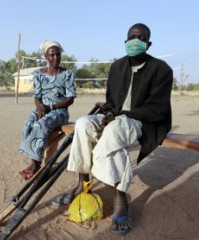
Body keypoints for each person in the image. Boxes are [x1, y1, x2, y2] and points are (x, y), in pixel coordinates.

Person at [52, 23, 173, 235]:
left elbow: (158, 109)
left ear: (148, 43)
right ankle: (83, 182)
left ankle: (120, 196)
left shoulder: (162, 70)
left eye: (141, 38)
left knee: (114, 130)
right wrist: (107, 113)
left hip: (143, 122)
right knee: (82, 123)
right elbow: (110, 101)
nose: (136, 40)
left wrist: (117, 117)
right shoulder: (117, 67)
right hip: (114, 118)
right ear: (126, 41)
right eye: (132, 36)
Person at [19, 40, 76, 180]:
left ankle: (36, 164)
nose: (56, 57)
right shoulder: (39, 74)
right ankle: (34, 160)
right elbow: (37, 96)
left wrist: (50, 107)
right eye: (52, 55)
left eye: (58, 54)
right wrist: (39, 107)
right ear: (46, 56)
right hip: (43, 109)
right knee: (28, 123)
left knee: (40, 125)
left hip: (59, 111)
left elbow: (70, 99)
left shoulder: (68, 74)